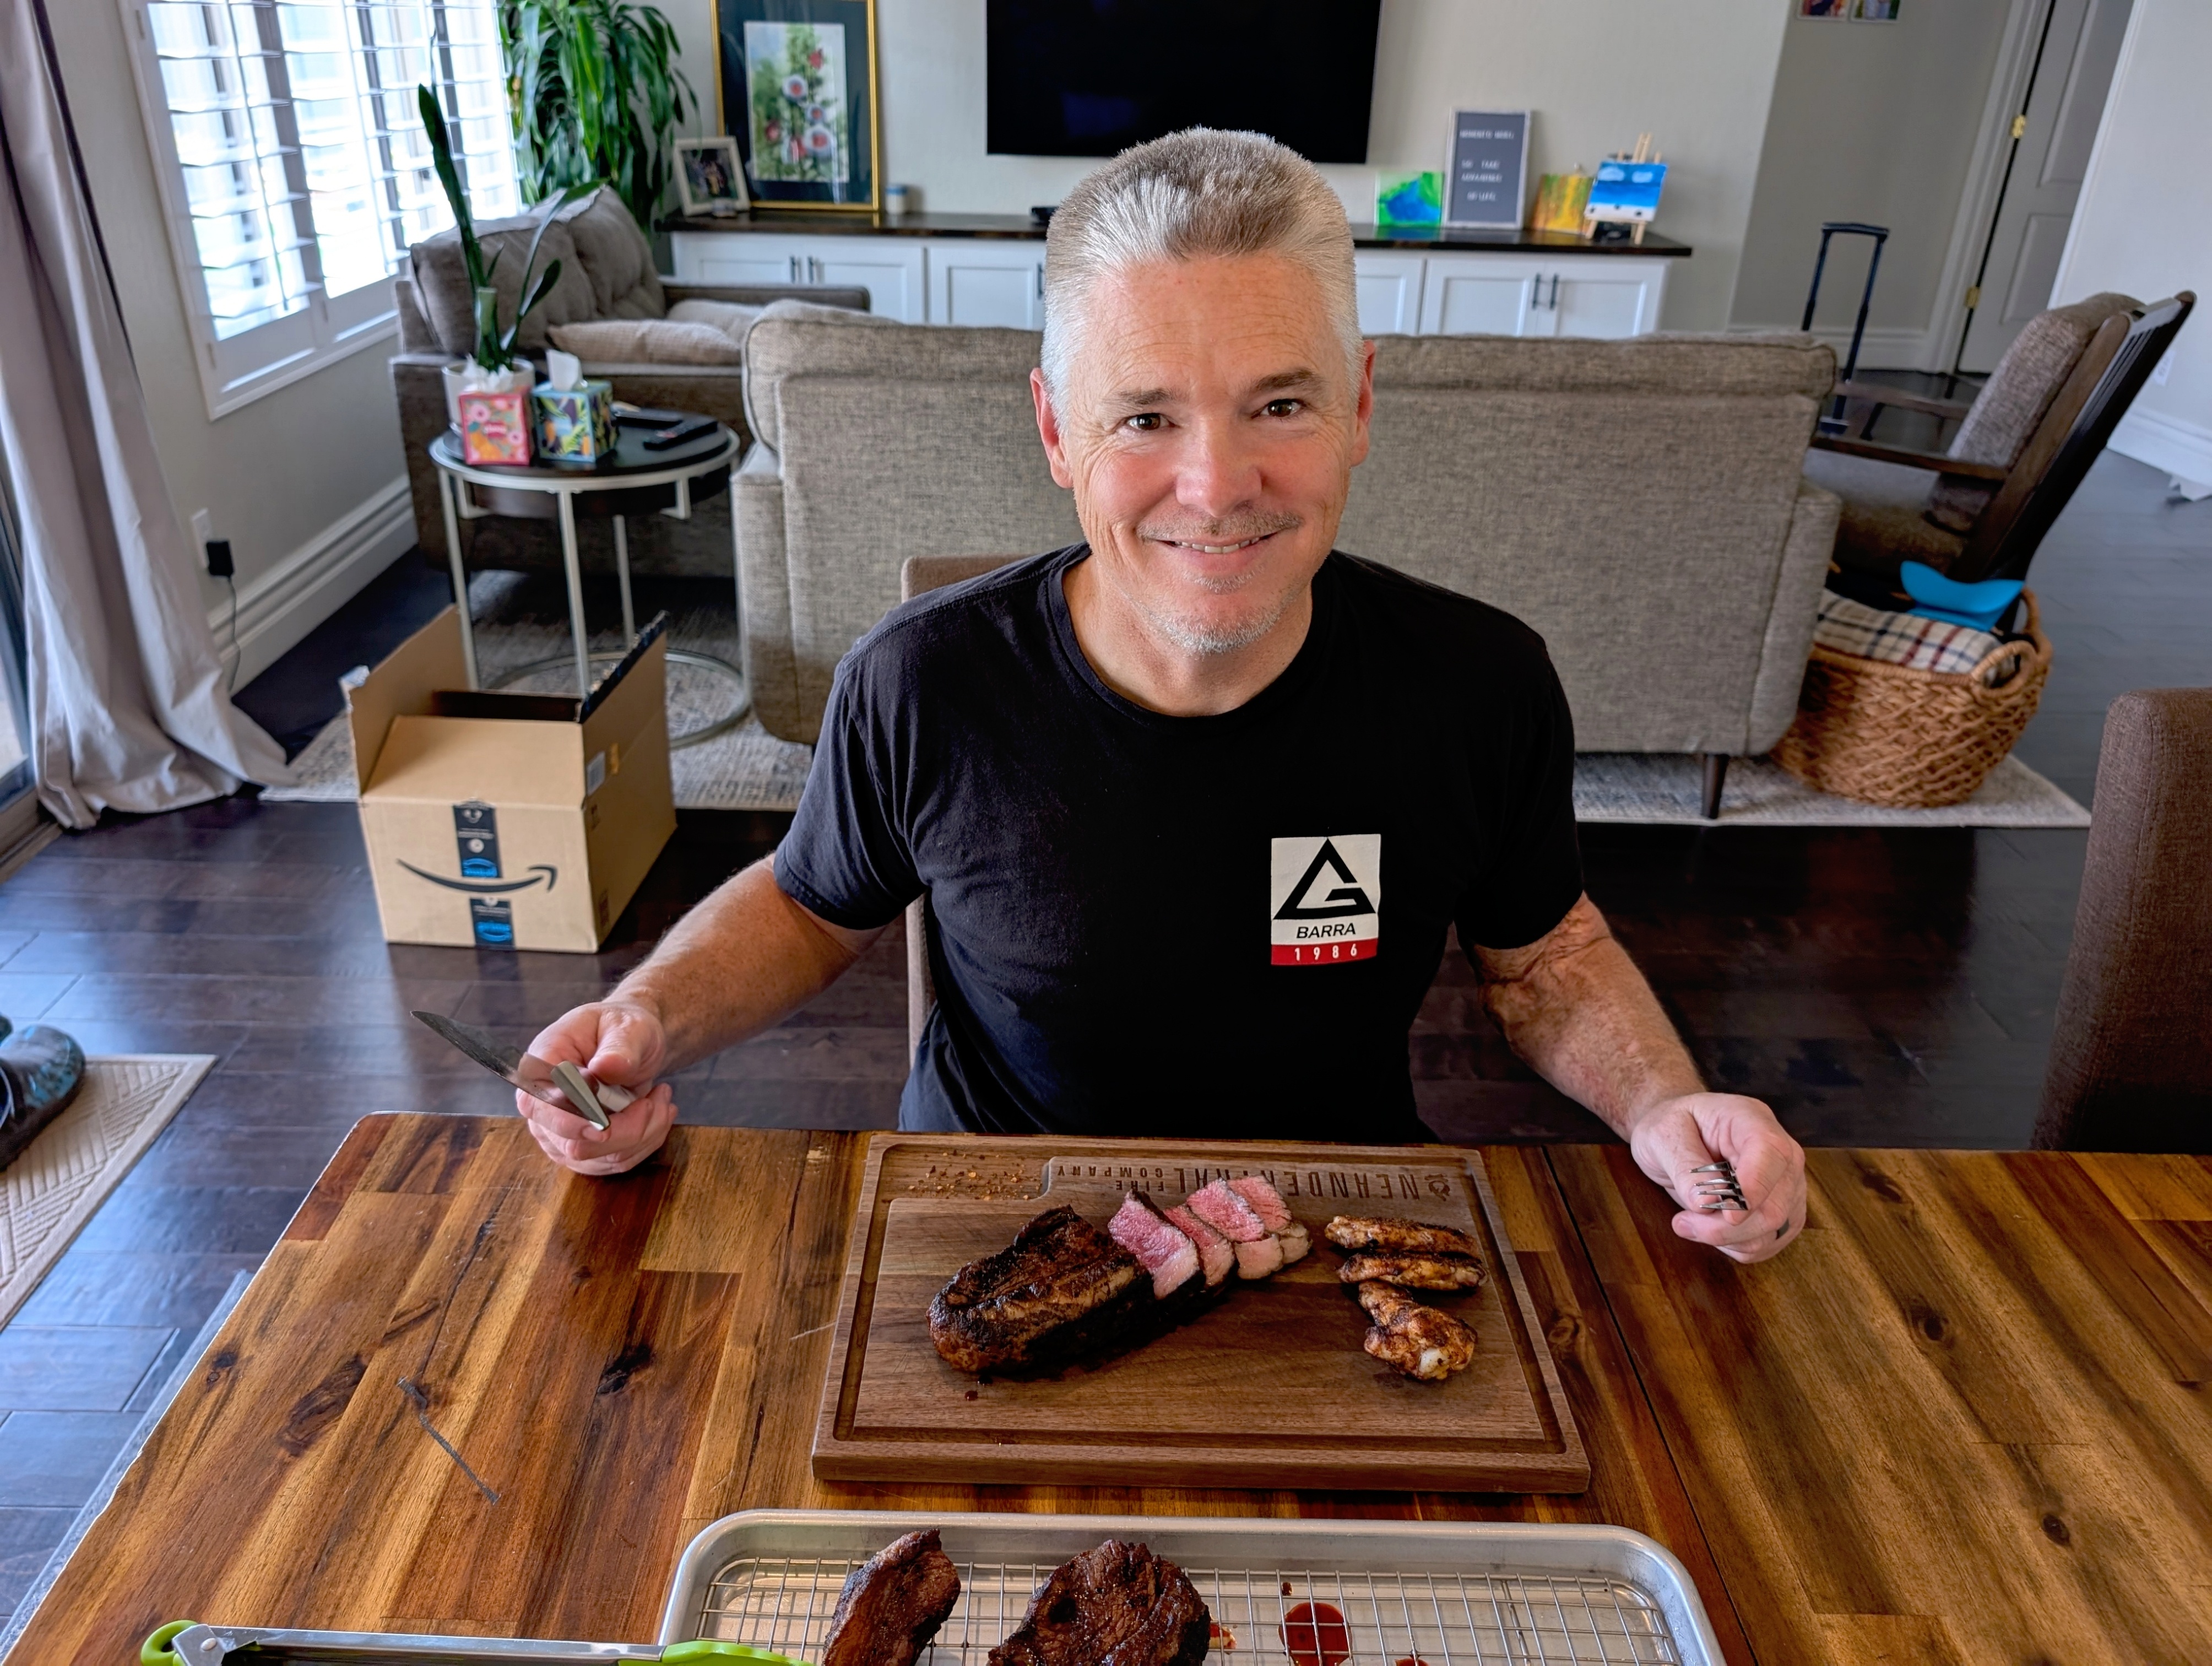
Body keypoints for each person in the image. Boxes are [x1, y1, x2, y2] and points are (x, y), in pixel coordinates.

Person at [517, 129, 1806, 1264]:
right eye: (1143, 419)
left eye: (1279, 403)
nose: (1216, 485)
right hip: (996, 1223)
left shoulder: (1481, 685)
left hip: (1326, 1228)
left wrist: (1664, 1107)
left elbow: (1547, 959)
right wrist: (644, 1019)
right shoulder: (921, 681)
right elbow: (810, 905)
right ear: (1054, 430)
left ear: (1359, 405)